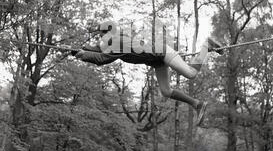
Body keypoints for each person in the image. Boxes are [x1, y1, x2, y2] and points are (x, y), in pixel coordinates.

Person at [71, 21, 223, 126]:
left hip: (162, 53)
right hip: (156, 60)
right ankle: (198, 104)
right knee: (165, 91)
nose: (100, 38)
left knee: (191, 73)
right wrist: (76, 49)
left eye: (102, 35)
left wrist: (82, 55)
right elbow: (97, 50)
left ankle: (206, 45)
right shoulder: (110, 43)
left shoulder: (119, 43)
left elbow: (101, 59)